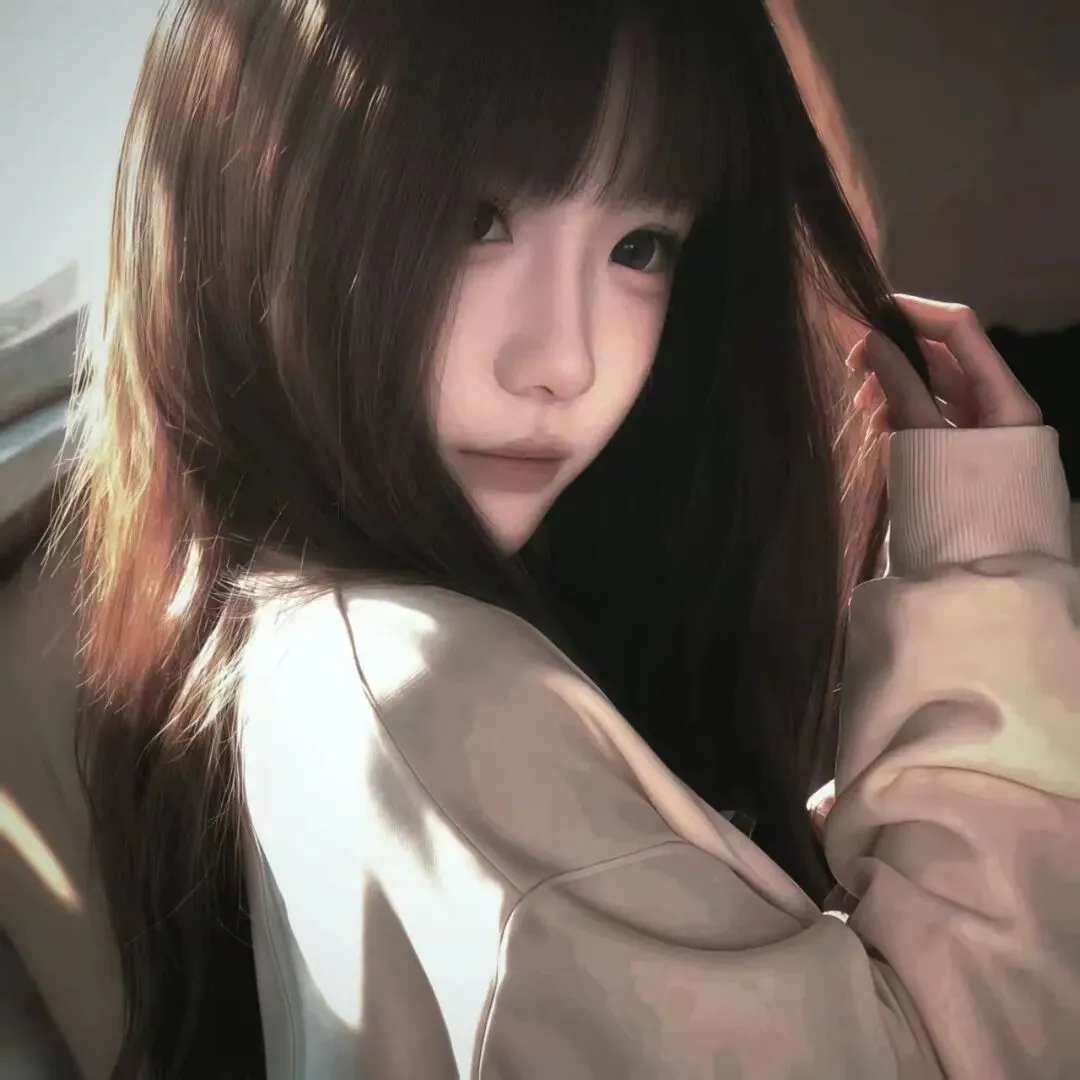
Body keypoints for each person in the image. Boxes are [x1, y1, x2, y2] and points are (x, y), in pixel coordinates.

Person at [3, 0, 1078, 1076]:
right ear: (259, 201)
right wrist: (986, 572)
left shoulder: (290, 637)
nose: (565, 360)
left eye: (640, 246)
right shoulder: (437, 697)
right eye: (475, 222)